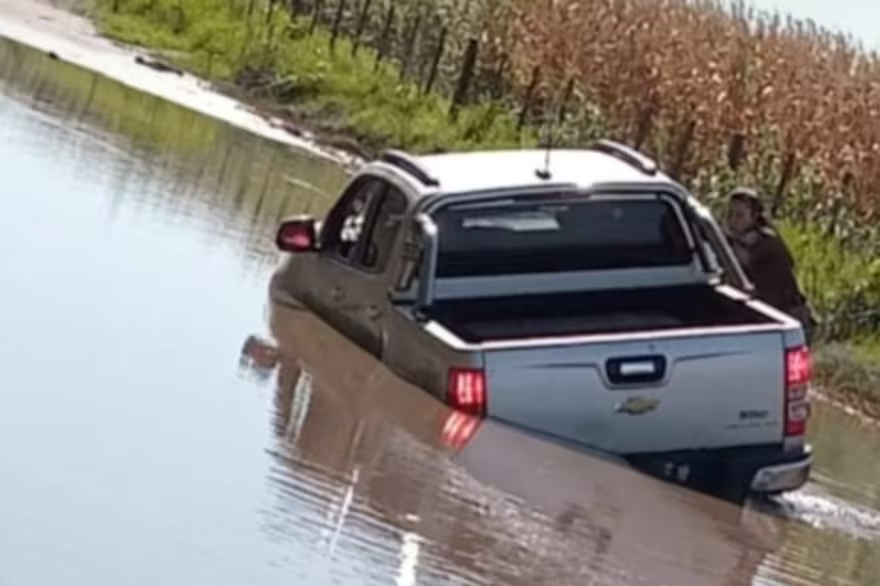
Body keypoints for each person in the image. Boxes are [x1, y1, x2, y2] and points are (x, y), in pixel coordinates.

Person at [724, 187, 816, 343]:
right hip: (767, 317)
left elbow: (743, 259)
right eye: (729, 214)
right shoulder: (738, 241)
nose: (732, 221)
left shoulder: (767, 242)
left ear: (753, 217)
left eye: (739, 215)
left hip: (789, 317)